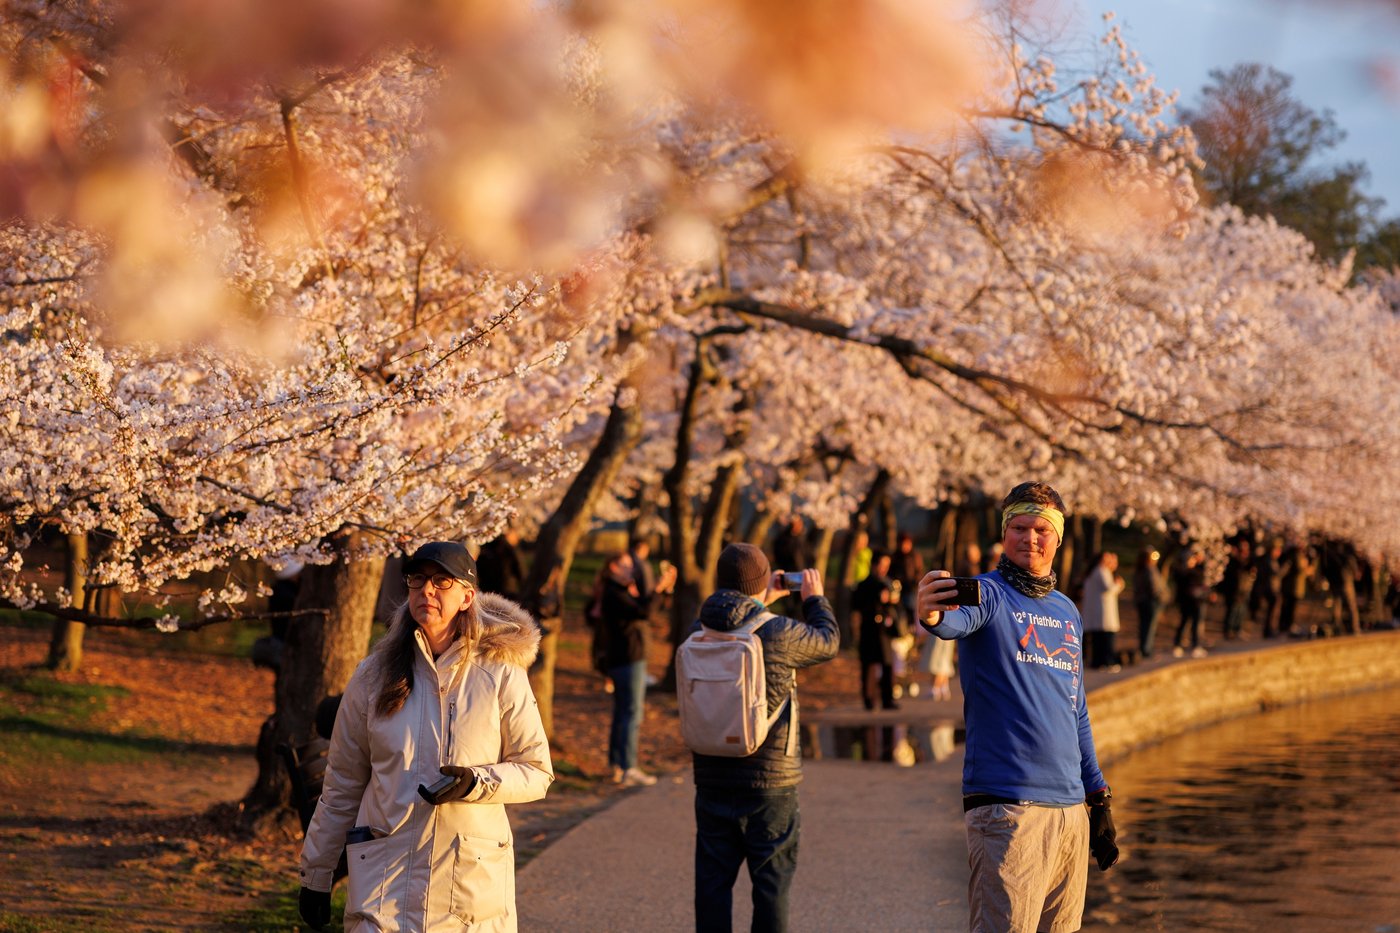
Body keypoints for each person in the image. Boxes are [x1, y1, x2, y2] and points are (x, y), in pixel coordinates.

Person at [297, 541, 553, 932]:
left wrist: (476, 782)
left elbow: (536, 771)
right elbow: (342, 785)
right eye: (418, 580)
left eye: (441, 581)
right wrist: (316, 875)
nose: (427, 591)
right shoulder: (373, 675)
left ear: (467, 596)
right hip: (383, 889)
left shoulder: (500, 673)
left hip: (467, 892)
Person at [916, 482, 1118, 933]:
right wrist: (931, 615)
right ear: (1004, 533)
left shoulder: (1068, 610)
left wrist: (1098, 795)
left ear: (1059, 539)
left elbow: (1076, 707)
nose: (1030, 538)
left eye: (1041, 529)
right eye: (1019, 527)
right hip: (1008, 810)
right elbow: (952, 621)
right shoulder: (988, 594)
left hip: (1069, 812)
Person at [691, 542, 839, 933]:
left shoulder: (698, 629)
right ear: (763, 582)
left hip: (711, 777)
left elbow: (735, 616)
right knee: (770, 887)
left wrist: (759, 598)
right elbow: (828, 641)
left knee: (712, 885)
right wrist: (815, 599)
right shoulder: (778, 632)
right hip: (770, 783)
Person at [596, 550, 677, 786]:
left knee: (624, 713)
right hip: (627, 659)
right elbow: (644, 612)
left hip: (628, 658)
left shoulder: (621, 590)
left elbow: (648, 607)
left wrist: (665, 589)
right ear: (612, 567)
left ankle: (618, 765)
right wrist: (659, 589)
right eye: (625, 566)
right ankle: (627, 766)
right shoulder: (613, 593)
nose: (631, 570)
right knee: (631, 714)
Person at [853, 550, 898, 710]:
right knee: (868, 665)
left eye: (887, 565)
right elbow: (857, 608)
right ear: (873, 565)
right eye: (882, 565)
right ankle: (868, 699)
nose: (884, 569)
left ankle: (887, 699)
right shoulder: (864, 585)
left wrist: (891, 600)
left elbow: (893, 605)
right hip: (869, 628)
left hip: (884, 629)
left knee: (887, 663)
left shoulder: (887, 583)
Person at [1080, 551, 1125, 671]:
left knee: (1097, 640)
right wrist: (1119, 585)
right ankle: (1107, 662)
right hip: (1103, 613)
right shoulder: (1102, 571)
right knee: (1106, 640)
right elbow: (1108, 588)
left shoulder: (1092, 572)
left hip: (1096, 612)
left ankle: (1097, 662)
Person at [1171, 549, 1209, 658]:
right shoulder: (1182, 572)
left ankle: (1196, 645)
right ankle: (1178, 644)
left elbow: (1202, 581)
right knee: (1184, 623)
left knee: (1196, 624)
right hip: (1186, 602)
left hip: (1197, 602)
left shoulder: (1197, 571)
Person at [1132, 549, 1167, 659]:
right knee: (1150, 626)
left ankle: (1145, 648)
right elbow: (1154, 587)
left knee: (1144, 626)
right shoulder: (1149, 569)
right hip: (1151, 602)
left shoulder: (1139, 569)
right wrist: (1160, 597)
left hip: (1142, 601)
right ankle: (1147, 649)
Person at [476, 529, 525, 601]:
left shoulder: (485, 547)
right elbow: (519, 567)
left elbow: (478, 567)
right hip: (507, 589)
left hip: (488, 589)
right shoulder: (509, 548)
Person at [1250, 538, 1284, 638]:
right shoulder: (1267, 560)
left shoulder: (1273, 560)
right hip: (1269, 589)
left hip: (1272, 588)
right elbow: (1274, 574)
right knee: (1272, 611)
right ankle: (1269, 630)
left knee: (1274, 611)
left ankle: (1271, 629)